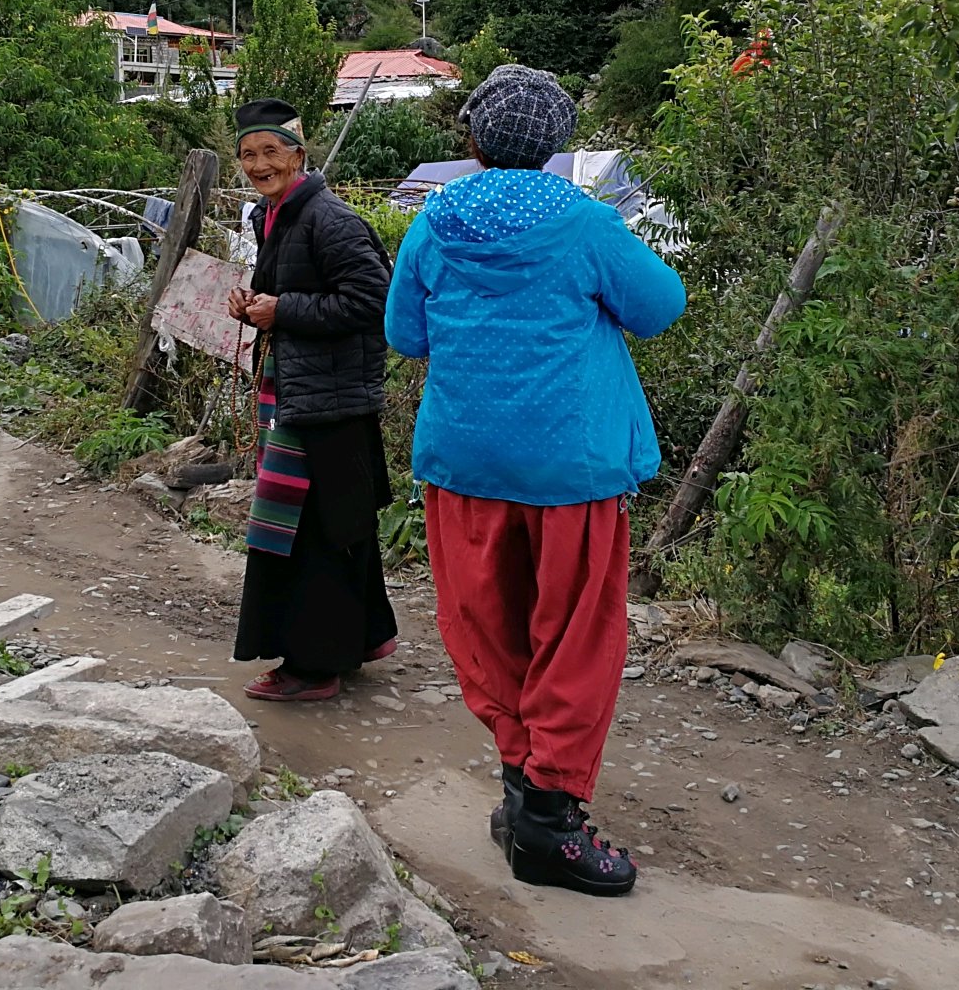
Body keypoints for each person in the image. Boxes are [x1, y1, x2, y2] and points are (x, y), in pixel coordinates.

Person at [385, 65, 685, 897]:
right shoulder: (588, 224)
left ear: (473, 141)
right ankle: (547, 823)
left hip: (466, 466)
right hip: (570, 468)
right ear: (554, 147)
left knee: (491, 631)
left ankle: (522, 793)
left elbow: (405, 334)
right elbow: (661, 305)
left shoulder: (434, 222)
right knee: (575, 638)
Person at [228, 97, 398, 702]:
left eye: (271, 152)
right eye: (248, 154)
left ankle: (312, 666)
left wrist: (285, 310)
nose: (258, 164)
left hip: (332, 401)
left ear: (299, 155)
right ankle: (356, 642)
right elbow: (293, 291)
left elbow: (376, 301)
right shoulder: (271, 216)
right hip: (300, 394)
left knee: (314, 530)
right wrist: (253, 302)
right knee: (326, 526)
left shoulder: (331, 219)